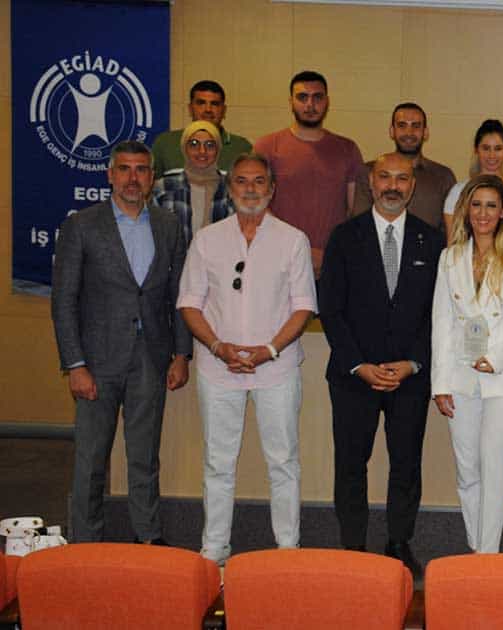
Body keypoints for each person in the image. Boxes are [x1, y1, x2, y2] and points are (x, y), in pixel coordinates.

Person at [177, 153, 317, 565]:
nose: (250, 189)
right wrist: (217, 346)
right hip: (218, 368)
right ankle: (214, 550)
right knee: (217, 463)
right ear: (229, 187)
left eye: (259, 181)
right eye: (241, 181)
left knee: (283, 461)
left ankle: (287, 549)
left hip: (276, 368)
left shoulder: (292, 240)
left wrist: (268, 350)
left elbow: (303, 307)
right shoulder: (207, 239)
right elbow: (189, 303)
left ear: (272, 188)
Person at [51, 140, 191, 544]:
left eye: (141, 170)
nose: (133, 178)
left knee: (144, 457)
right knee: (91, 459)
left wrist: (182, 353)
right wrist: (75, 364)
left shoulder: (168, 225)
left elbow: (178, 295)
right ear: (110, 175)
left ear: (151, 178)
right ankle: (85, 541)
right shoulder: (82, 225)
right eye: (125, 169)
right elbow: (64, 301)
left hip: (151, 358)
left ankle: (147, 537)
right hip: (95, 362)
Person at [318, 153, 445, 577]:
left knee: (406, 463)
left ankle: (398, 542)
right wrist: (358, 364)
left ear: (413, 186)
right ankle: (353, 545)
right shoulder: (344, 237)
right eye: (385, 177)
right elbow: (331, 308)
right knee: (351, 463)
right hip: (354, 376)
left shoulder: (432, 240)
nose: (393, 186)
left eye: (402, 178)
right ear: (371, 184)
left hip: (409, 378)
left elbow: (437, 314)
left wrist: (413, 362)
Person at [431, 175, 503, 553]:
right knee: (467, 468)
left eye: (491, 206)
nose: (483, 213)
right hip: (459, 375)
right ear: (466, 209)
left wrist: (497, 357)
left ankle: (487, 555)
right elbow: (441, 322)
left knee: (493, 464)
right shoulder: (450, 258)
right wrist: (439, 384)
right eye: (476, 204)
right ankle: (475, 546)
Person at [254, 70, 364, 276]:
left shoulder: (347, 149)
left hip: (332, 261)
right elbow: (257, 205)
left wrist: (331, 253)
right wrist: (297, 249)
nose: (310, 104)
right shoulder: (267, 147)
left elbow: (354, 211)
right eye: (302, 97)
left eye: (317, 97)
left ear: (327, 102)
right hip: (279, 260)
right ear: (291, 102)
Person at [355, 102, 457, 232]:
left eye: (416, 126)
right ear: (392, 131)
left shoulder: (443, 177)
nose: (409, 132)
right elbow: (359, 225)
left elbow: (451, 230)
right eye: (402, 125)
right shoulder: (370, 171)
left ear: (425, 132)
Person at [442, 120, 503, 242]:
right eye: (486, 148)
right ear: (476, 150)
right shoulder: (457, 192)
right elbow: (453, 243)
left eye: (498, 148)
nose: (492, 155)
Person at [152, 120, 234, 246]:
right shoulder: (163, 188)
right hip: (176, 259)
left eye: (210, 145)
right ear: (184, 148)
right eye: (194, 144)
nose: (202, 151)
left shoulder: (231, 189)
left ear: (218, 150)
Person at [150, 80, 253, 179]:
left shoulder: (241, 148)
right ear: (190, 108)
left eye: (215, 104)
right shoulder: (165, 143)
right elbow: (150, 185)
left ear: (224, 110)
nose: (208, 109)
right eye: (201, 103)